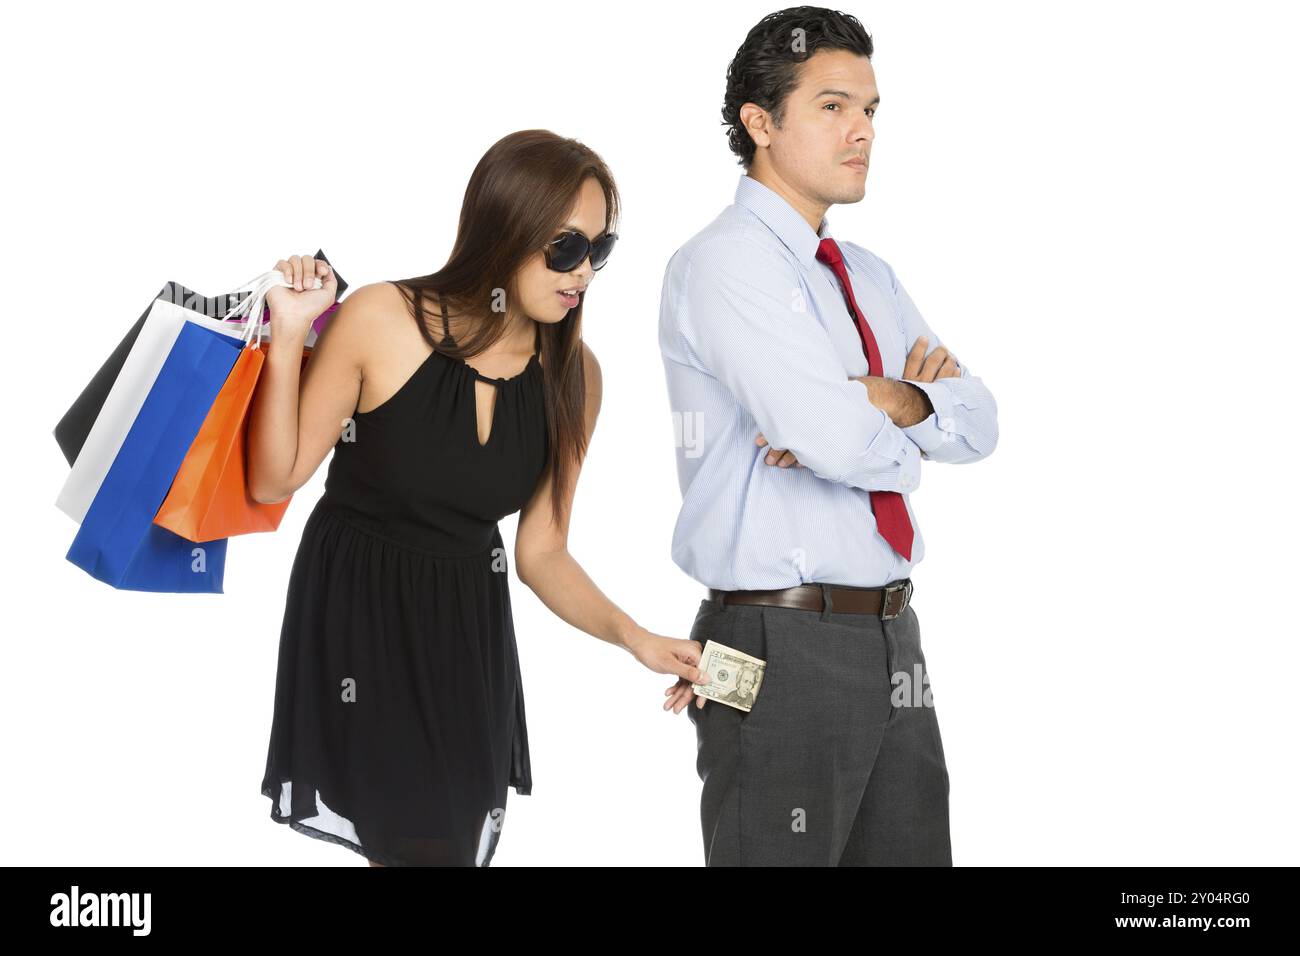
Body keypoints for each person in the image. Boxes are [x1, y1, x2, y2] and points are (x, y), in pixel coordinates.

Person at [249, 129, 707, 867]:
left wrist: (637, 638)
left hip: (467, 626)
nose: (583, 271)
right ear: (504, 230)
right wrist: (288, 335)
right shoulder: (380, 319)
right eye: (564, 247)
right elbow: (274, 480)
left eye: (599, 249)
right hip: (359, 613)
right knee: (422, 844)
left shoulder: (574, 376)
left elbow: (542, 551)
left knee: (448, 843)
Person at [658, 7, 999, 865]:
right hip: (776, 643)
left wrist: (889, 398)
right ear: (761, 123)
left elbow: (982, 422)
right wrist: (897, 428)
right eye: (834, 106)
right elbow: (836, 444)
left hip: (893, 634)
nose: (862, 133)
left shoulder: (871, 277)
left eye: (872, 111)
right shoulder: (726, 263)